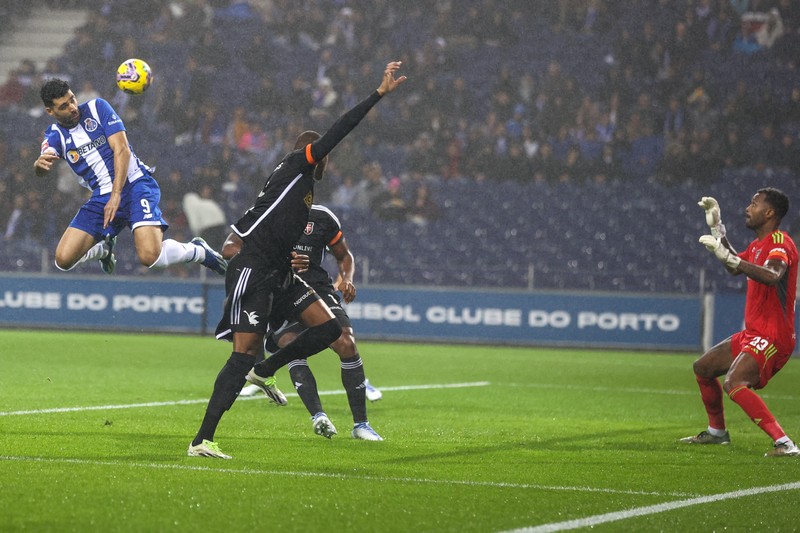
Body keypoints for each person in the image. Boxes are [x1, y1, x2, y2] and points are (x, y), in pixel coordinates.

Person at [188, 60, 406, 459]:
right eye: (322, 153)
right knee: (242, 354)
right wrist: (377, 95)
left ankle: (267, 370)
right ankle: (202, 440)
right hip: (254, 269)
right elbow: (340, 130)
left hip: (280, 272)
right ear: (313, 154)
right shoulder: (297, 163)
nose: (326, 159)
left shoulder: (301, 191)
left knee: (329, 330)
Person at [33, 79, 227, 276]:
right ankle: (102, 249)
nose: (73, 107)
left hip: (135, 185)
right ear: (50, 111)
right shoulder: (55, 135)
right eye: (64, 106)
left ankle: (198, 251)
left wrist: (116, 194)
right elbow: (43, 164)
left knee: (151, 258)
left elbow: (122, 149)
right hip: (102, 197)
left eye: (72, 99)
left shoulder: (97, 107)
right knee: (63, 260)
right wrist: (39, 166)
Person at [233, 203, 383, 440]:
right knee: (290, 342)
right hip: (281, 291)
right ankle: (318, 416)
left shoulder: (322, 217)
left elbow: (344, 255)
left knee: (346, 343)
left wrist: (347, 279)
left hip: (318, 290)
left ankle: (361, 425)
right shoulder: (264, 211)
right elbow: (234, 249)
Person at [681, 189, 799, 457]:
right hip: (754, 333)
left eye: (754, 204)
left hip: (773, 336)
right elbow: (735, 266)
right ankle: (717, 433)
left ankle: (785, 443)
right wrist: (717, 228)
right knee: (703, 368)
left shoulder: (781, 242)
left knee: (734, 382)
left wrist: (731, 257)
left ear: (769, 213)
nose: (748, 208)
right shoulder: (758, 246)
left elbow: (772, 275)